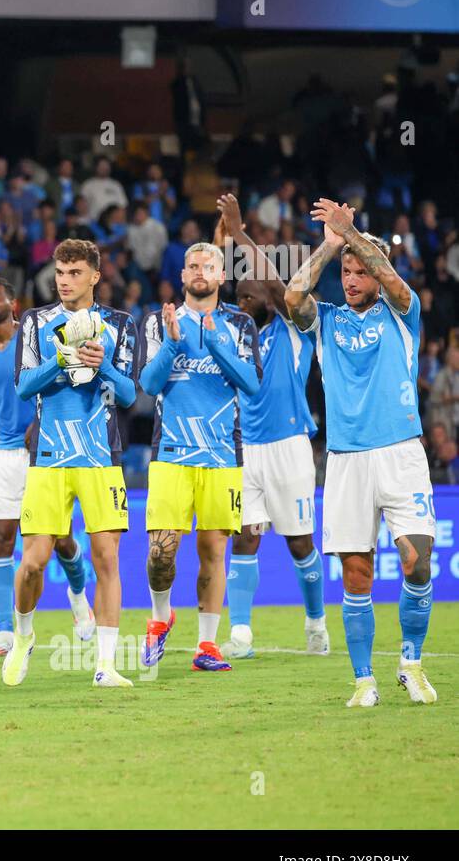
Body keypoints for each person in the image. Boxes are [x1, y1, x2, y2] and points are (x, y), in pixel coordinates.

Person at [286, 199, 437, 707]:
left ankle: (411, 665)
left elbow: (393, 281)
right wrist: (331, 244)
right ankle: (363, 680)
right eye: (345, 272)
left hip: (400, 453)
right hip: (347, 459)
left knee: (416, 561)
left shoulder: (402, 312)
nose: (351, 279)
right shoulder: (325, 320)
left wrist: (352, 234)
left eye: (358, 270)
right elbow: (292, 295)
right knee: (358, 574)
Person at [2, 240, 137, 688]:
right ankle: (23, 637)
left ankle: (106, 666)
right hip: (51, 458)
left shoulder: (119, 324)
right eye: (60, 272)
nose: (64, 281)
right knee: (34, 562)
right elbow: (23, 387)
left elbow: (131, 395)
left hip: (101, 458)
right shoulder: (36, 321)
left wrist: (104, 370)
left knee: (107, 560)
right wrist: (58, 360)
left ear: (95, 276)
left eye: (75, 272)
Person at [138, 239, 261, 674]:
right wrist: (175, 343)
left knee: (213, 550)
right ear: (183, 274)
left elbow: (251, 384)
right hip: (171, 453)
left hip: (222, 455)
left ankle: (207, 644)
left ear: (221, 275)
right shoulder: (158, 323)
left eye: (208, 265)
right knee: (160, 553)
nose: (199, 271)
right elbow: (149, 386)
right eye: (192, 265)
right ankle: (160, 615)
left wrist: (214, 343)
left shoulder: (240, 325)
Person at [214, 195, 328, 659]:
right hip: (246, 450)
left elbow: (279, 288)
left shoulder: (292, 327)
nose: (241, 302)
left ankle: (316, 623)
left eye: (249, 296)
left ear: (267, 302)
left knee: (300, 542)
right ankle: (240, 633)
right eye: (238, 295)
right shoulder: (236, 336)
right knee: (244, 535)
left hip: (290, 445)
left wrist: (240, 236)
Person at [0, 276, 93, 660]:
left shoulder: (36, 338)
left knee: (62, 538)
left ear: (13, 305)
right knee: (0, 539)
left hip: (45, 451)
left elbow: (68, 382)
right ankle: (6, 634)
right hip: (2, 456)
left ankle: (79, 597)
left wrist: (43, 419)